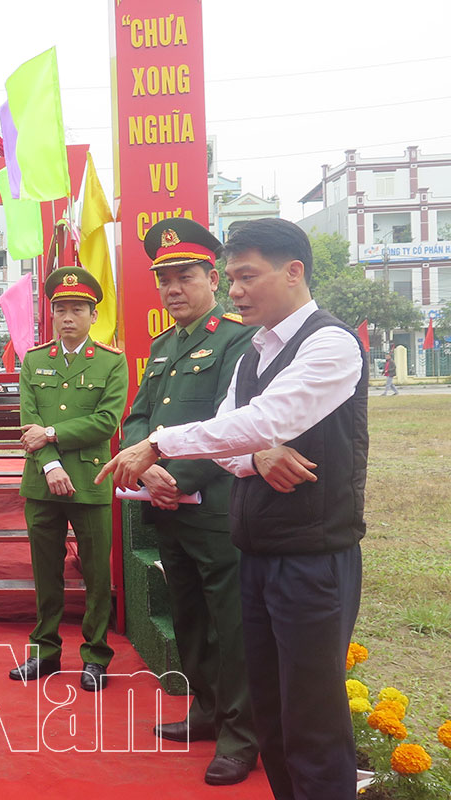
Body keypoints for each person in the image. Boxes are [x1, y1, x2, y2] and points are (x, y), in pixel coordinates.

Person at [99, 218, 367, 800]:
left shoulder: (330, 341)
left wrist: (165, 446)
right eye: (233, 277)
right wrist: (248, 456)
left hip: (312, 553)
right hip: (257, 544)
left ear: (293, 271)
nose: (237, 289)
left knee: (312, 714)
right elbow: (233, 445)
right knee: (272, 707)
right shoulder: (254, 354)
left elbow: (262, 423)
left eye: (245, 276)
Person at [121, 218, 258, 786]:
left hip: (216, 506)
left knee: (231, 624)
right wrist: (149, 471)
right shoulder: (163, 346)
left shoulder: (236, 339)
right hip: (168, 504)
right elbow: (138, 417)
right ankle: (204, 710)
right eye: (165, 280)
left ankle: (240, 736)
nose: (174, 289)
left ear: (212, 279)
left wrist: (174, 475)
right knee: (189, 617)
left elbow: (233, 423)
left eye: (185, 276)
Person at [10, 267, 127, 691]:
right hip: (43, 481)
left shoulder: (112, 362)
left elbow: (107, 420)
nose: (68, 317)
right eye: (60, 309)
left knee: (97, 575)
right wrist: (50, 463)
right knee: (46, 572)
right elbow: (30, 421)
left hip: (92, 480)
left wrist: (54, 435)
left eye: (77, 309)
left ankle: (95, 655)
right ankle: (43, 650)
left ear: (93, 315)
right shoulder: (35, 360)